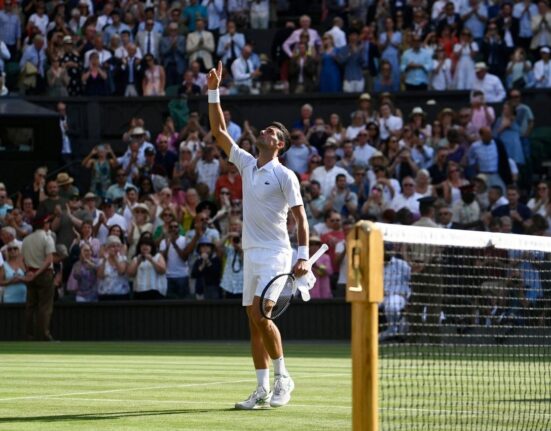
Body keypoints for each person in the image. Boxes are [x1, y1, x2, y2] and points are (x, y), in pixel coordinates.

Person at [207, 61, 309, 409]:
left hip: (277, 253)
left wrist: (303, 256)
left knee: (263, 313)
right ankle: (262, 389)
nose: (264, 132)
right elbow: (219, 131)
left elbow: (301, 218)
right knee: (253, 321)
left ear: (279, 144)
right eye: (264, 130)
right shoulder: (248, 163)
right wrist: (213, 90)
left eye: (271, 132)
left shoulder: (286, 176)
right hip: (252, 251)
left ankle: (284, 379)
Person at [21, 215, 56, 341]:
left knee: (30, 306)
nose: (49, 224)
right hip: (44, 274)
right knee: (45, 306)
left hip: (31, 275)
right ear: (44, 224)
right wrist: (36, 273)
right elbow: (48, 260)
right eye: (48, 222)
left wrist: (29, 272)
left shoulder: (26, 239)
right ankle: (44, 335)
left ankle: (29, 335)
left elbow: (22, 259)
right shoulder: (47, 238)